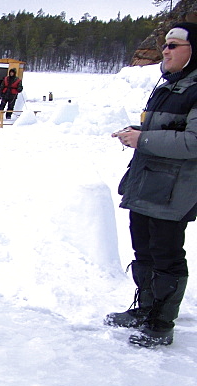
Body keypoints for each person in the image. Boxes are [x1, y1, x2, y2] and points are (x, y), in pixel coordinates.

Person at [107, 22, 197, 347]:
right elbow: (163, 128)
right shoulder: (167, 86)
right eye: (166, 45)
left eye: (175, 45)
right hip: (145, 184)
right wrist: (136, 132)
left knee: (166, 255)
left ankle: (161, 323)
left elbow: (193, 141)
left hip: (174, 192)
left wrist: (143, 139)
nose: (166, 50)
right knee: (142, 250)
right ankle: (145, 309)